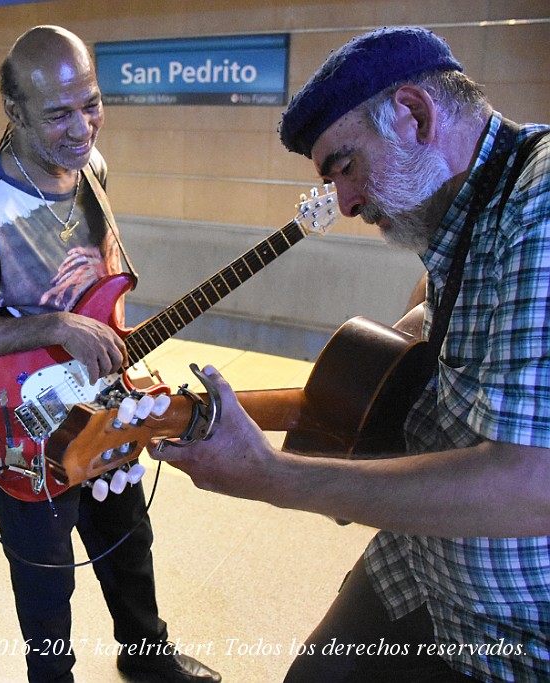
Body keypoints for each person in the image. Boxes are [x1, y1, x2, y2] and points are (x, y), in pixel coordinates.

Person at [152, 26, 550, 683]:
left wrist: (270, 476)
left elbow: (530, 482)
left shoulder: (536, 210)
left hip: (515, 631)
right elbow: (400, 387)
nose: (344, 202)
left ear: (414, 114)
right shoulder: (457, 217)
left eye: (345, 166)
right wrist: (188, 411)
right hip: (417, 567)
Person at [0, 25, 221, 683]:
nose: (82, 125)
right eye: (58, 112)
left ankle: (146, 660)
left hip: (104, 398)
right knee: (45, 582)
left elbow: (98, 280)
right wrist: (56, 326)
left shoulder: (93, 170)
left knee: (128, 540)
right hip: (24, 423)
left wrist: (101, 330)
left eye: (90, 103)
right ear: (15, 111)